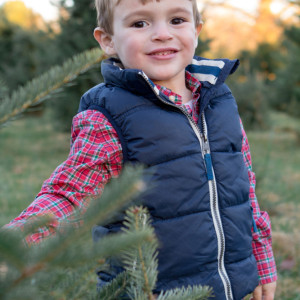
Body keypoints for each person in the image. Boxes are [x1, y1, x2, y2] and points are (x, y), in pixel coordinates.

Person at [6, 0, 277, 299]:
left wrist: (261, 260)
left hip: (233, 287)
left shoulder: (219, 101)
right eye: (140, 23)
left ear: (196, 30)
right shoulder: (107, 117)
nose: (162, 34)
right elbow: (69, 195)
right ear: (108, 40)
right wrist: (12, 248)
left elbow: (245, 187)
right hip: (149, 292)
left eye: (176, 20)